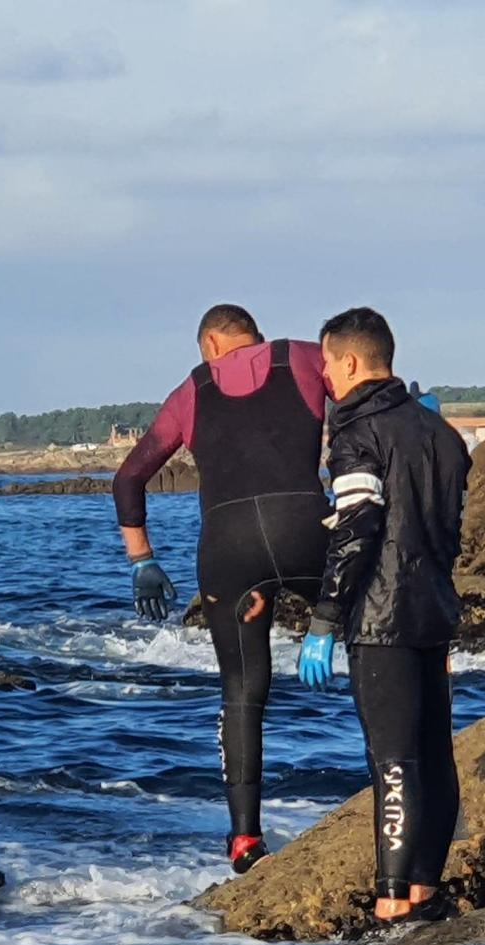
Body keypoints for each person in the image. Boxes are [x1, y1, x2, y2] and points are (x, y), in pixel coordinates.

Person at [112, 304, 330, 873]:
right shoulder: (304, 358)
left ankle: (244, 839)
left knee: (242, 691)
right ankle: (397, 795)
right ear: (254, 335)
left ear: (210, 343)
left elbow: (129, 477)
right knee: (371, 649)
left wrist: (143, 561)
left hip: (229, 550)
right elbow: (368, 399)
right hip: (306, 530)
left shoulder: (193, 389)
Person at [297, 308, 471, 923]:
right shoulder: (442, 434)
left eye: (326, 363)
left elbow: (357, 527)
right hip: (434, 612)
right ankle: (425, 892)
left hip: (380, 619)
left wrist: (324, 619)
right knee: (434, 754)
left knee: (393, 760)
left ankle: (392, 902)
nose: (323, 376)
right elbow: (448, 534)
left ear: (350, 361)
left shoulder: (357, 433)